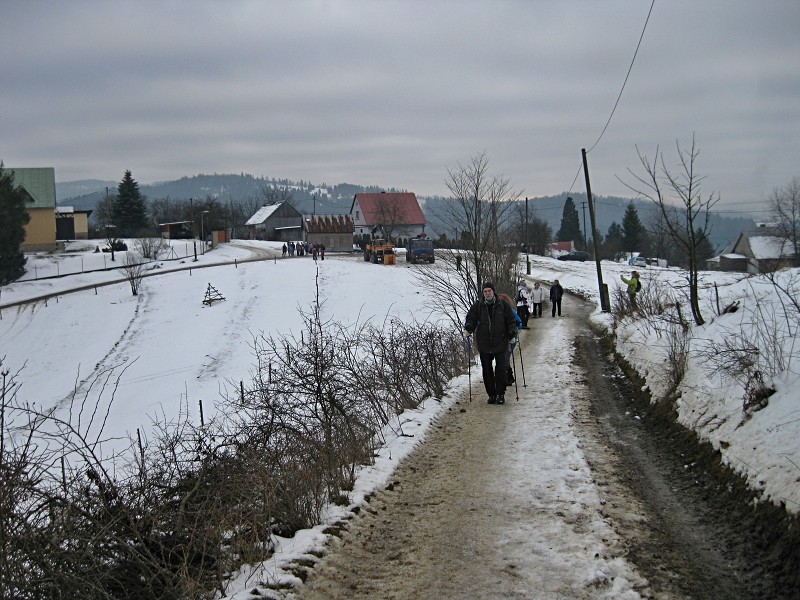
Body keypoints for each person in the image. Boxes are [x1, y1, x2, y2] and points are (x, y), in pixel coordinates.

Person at [464, 281, 517, 405]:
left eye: (489, 291)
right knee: (486, 370)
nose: (487, 293)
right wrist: (468, 328)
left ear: (493, 292)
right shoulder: (478, 306)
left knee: (501, 369)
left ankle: (500, 394)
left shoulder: (503, 305)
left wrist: (511, 334)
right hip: (484, 343)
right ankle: (491, 394)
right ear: (483, 293)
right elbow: (471, 318)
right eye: (485, 291)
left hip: (500, 341)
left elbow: (511, 321)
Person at [498, 293, 524, 384]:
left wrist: (516, 326)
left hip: (511, 339)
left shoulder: (511, 311)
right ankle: (507, 377)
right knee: (503, 358)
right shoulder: (495, 312)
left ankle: (507, 377)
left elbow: (520, 323)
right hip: (500, 339)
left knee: (505, 357)